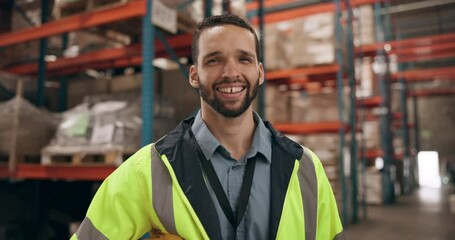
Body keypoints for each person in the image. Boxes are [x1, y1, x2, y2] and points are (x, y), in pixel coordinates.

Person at [72, 14, 344, 240]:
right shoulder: (149, 170)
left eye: (244, 59)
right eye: (214, 60)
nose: (230, 72)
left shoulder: (306, 169)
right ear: (194, 75)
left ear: (260, 72)